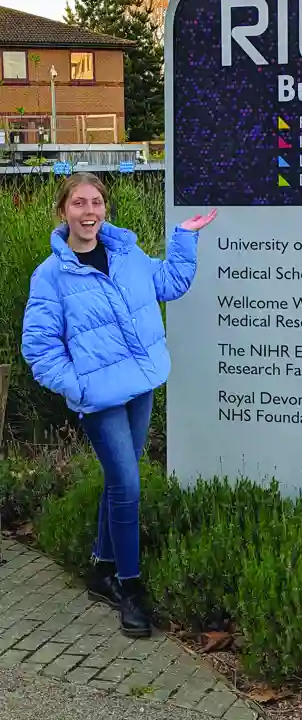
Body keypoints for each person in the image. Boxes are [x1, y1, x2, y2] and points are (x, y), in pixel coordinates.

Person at [21, 172, 216, 638]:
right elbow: (39, 347)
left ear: (105, 208)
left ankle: (101, 570)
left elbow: (168, 284)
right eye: (78, 204)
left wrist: (183, 238)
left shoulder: (128, 255)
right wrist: (81, 388)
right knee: (128, 485)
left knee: (118, 478)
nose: (89, 212)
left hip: (140, 385)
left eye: (96, 203)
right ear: (62, 211)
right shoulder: (51, 275)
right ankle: (130, 589)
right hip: (100, 399)